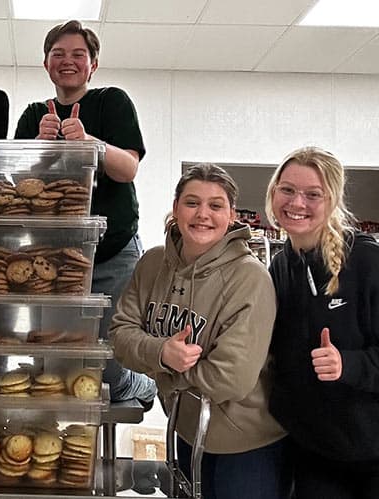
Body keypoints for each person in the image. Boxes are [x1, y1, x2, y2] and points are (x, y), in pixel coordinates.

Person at [265, 146, 379, 499]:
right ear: (273, 193)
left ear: (332, 201)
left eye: (313, 194)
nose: (297, 203)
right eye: (287, 190)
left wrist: (350, 364)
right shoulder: (281, 268)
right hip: (320, 456)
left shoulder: (369, 263)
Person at [110, 163, 289, 499]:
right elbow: (119, 336)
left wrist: (165, 373)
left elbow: (230, 378)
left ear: (232, 215)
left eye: (216, 205)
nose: (202, 214)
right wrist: (163, 353)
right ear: (176, 207)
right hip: (188, 433)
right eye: (192, 203)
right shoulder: (152, 264)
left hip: (247, 448)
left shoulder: (249, 278)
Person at [14, 19, 155, 407]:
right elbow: (18, 188)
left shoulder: (112, 101)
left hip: (112, 251)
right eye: (58, 54)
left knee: (106, 360)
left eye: (79, 54)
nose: (68, 61)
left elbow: (127, 168)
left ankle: (135, 388)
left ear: (93, 64)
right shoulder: (32, 116)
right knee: (54, 356)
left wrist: (90, 142)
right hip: (52, 257)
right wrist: (37, 149)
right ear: (46, 64)